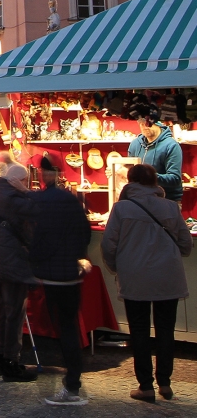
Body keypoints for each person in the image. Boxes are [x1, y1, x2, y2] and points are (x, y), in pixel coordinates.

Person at [101, 163, 192, 402]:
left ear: (130, 181)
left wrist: (118, 266)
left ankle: (146, 386)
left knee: (139, 330)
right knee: (166, 330)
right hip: (168, 276)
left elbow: (108, 244)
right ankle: (165, 383)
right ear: (154, 182)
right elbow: (186, 243)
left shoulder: (121, 208)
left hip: (135, 276)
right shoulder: (170, 206)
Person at [30, 154, 92, 406]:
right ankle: (73, 380)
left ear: (44, 174)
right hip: (71, 273)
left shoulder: (40, 201)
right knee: (70, 327)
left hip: (52, 274)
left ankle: (72, 386)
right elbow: (85, 233)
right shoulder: (71, 200)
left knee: (63, 328)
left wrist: (37, 261)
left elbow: (37, 238)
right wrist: (77, 256)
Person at [0, 162, 38, 382]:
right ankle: (11, 362)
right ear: (20, 181)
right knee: (14, 312)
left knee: (6, 311)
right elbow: (39, 210)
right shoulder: (14, 198)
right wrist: (27, 192)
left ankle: (3, 359)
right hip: (12, 261)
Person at [127, 105, 183, 204]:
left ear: (158, 123)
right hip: (140, 201)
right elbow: (128, 170)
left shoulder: (171, 145)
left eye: (148, 123)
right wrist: (116, 173)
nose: (145, 127)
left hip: (166, 201)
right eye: (141, 124)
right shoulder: (135, 144)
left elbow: (175, 179)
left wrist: (148, 176)